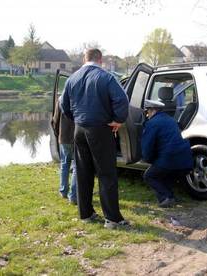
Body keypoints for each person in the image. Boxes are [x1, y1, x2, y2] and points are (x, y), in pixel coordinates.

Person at [60, 48, 130, 229]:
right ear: (100, 59)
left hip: (79, 129)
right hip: (100, 129)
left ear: (85, 58)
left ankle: (86, 214)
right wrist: (118, 120)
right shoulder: (106, 77)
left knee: (83, 172)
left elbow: (63, 104)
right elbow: (122, 99)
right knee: (106, 173)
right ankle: (113, 219)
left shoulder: (72, 78)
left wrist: (76, 118)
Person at [142, 99, 193, 208]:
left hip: (170, 159)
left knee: (149, 176)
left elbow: (148, 146)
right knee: (165, 175)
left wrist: (148, 160)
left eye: (147, 112)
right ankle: (171, 196)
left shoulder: (152, 123)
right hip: (186, 162)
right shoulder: (171, 120)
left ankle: (166, 198)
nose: (147, 115)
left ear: (153, 111)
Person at [53, 96, 77, 205]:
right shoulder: (82, 97)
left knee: (65, 164)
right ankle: (74, 196)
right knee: (77, 167)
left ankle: (63, 191)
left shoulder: (61, 99)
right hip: (78, 137)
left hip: (64, 137)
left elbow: (55, 120)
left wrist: (58, 135)